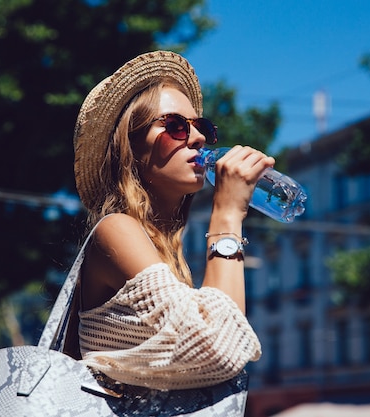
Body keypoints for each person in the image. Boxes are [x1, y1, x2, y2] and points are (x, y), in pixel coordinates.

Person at [70, 50, 274, 415]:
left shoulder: (166, 254)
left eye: (202, 127)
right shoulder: (116, 230)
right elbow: (222, 349)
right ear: (129, 147)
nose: (197, 138)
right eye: (176, 126)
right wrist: (227, 214)